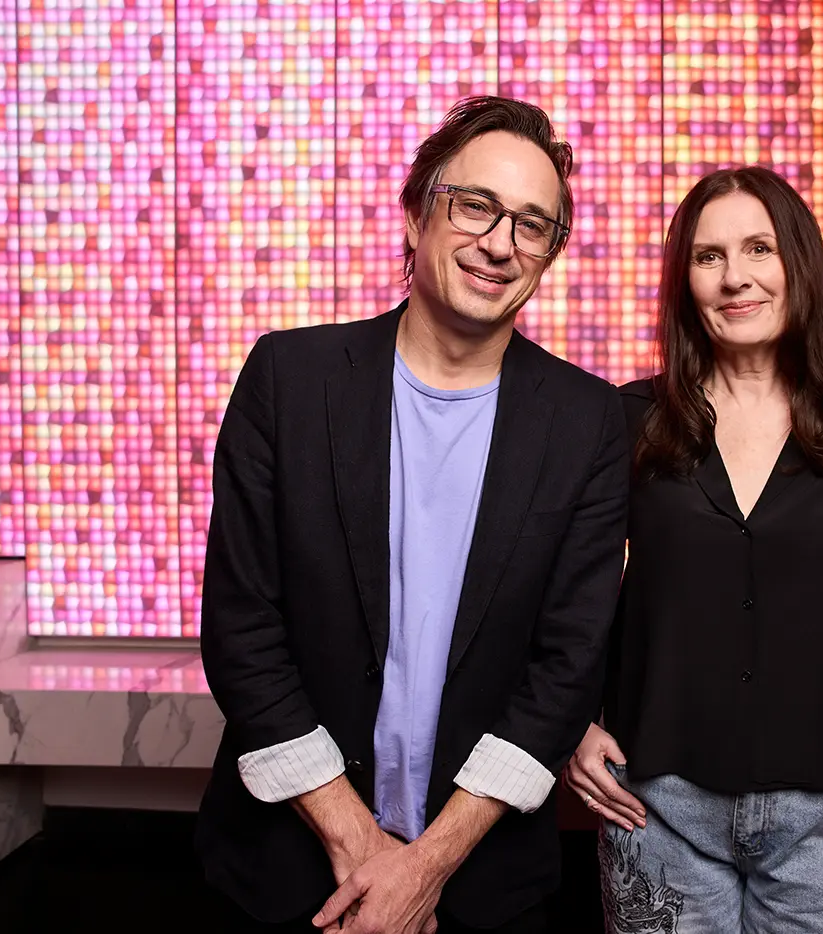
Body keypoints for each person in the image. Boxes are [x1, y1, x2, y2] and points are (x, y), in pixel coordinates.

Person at [196, 96, 630, 934]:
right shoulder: (289, 381)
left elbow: (567, 667)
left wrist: (424, 868)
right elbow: (243, 630)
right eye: (476, 206)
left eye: (533, 225)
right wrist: (367, 858)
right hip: (290, 874)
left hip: (482, 885)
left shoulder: (587, 423)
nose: (500, 244)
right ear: (415, 213)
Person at [565, 167, 823, 934]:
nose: (734, 277)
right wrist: (573, 721)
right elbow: (576, 598)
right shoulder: (627, 421)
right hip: (657, 808)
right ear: (685, 281)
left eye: (757, 249)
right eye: (708, 257)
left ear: (796, 264)